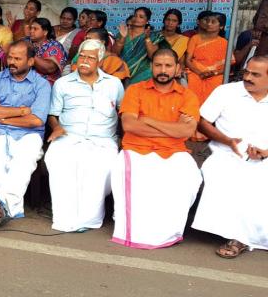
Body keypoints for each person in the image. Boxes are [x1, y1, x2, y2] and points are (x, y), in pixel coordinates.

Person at [112, 48, 202, 249]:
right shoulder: (135, 90)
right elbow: (130, 126)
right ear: (151, 67)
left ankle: (169, 231)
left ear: (177, 68)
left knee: (190, 178)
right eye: (158, 65)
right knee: (131, 174)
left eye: (168, 65)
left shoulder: (187, 95)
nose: (163, 70)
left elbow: (185, 132)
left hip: (174, 151)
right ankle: (134, 231)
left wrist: (149, 120)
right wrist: (173, 128)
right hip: (137, 149)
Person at [191, 55, 268, 258]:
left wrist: (266, 152)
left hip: (265, 158)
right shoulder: (226, 92)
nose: (248, 77)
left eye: (256, 74)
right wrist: (227, 140)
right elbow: (202, 121)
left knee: (260, 178)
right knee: (231, 175)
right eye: (247, 72)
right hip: (226, 153)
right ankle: (239, 237)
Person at [0, 41, 51, 231]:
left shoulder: (42, 85)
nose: (11, 62)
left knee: (23, 161)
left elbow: (36, 120)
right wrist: (22, 111)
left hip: (28, 134)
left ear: (30, 61)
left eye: (17, 58)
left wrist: (4, 116)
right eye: (10, 57)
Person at [45, 39, 124, 232]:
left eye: (90, 57)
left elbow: (124, 114)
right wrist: (56, 127)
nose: (85, 61)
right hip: (69, 137)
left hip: (103, 140)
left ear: (100, 60)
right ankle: (64, 218)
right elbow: (53, 114)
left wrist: (123, 139)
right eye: (82, 56)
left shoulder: (114, 84)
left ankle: (89, 219)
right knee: (58, 160)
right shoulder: (63, 83)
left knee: (97, 168)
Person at [111, 7, 165, 85]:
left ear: (147, 21)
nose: (136, 18)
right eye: (135, 15)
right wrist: (122, 38)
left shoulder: (153, 36)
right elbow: (115, 53)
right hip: (122, 71)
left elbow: (152, 56)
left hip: (143, 72)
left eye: (141, 17)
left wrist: (147, 39)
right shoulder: (123, 33)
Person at [186, 12, 231, 105]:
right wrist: (200, 73)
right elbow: (188, 60)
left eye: (213, 22)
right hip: (196, 72)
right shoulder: (195, 38)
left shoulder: (224, 43)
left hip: (215, 74)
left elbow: (228, 65)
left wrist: (214, 73)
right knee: (192, 82)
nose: (209, 24)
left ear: (221, 27)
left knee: (217, 85)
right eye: (207, 21)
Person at [27, 18, 67, 84]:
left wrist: (29, 52)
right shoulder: (26, 41)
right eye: (30, 28)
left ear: (45, 32)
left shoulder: (55, 46)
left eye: (35, 29)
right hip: (26, 82)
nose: (31, 31)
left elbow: (49, 69)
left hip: (46, 83)